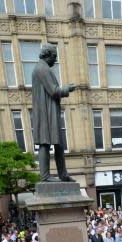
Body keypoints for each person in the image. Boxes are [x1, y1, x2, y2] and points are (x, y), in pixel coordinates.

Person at [31, 44, 76, 181]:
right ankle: (45, 176)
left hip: (50, 111)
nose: (55, 60)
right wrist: (67, 88)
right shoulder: (42, 69)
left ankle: (62, 174)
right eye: (54, 57)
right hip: (46, 113)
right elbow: (54, 91)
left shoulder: (42, 68)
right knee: (45, 143)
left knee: (59, 144)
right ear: (47, 54)